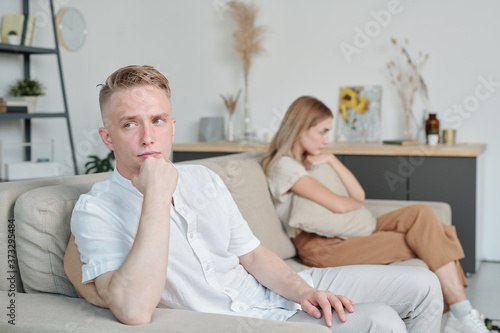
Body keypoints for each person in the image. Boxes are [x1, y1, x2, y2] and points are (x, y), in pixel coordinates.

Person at [64, 65, 444, 332]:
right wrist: (157, 195)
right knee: (382, 321)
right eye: (130, 123)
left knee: (424, 284)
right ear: (108, 137)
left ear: (172, 128)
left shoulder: (204, 179)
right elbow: (132, 310)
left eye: (158, 120)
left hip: (282, 288)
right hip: (242, 320)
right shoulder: (96, 210)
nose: (148, 137)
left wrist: (305, 292)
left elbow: (253, 254)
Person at [261, 95, 489, 333]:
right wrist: (354, 206)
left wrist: (331, 160)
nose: (326, 140)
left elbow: (358, 195)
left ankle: (459, 315)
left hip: (344, 231)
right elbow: (340, 205)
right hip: (323, 247)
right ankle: (461, 314)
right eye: (322, 132)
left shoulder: (308, 161)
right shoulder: (283, 166)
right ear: (299, 129)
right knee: (430, 238)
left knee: (422, 214)